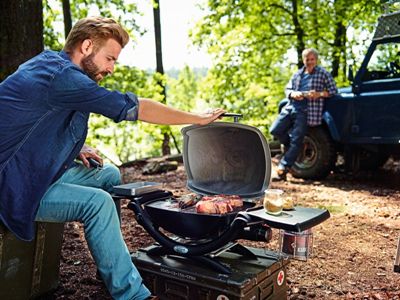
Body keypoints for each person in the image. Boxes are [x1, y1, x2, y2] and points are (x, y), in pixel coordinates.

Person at [0, 17, 224, 300]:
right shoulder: (65, 78)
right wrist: (196, 119)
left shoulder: (50, 64)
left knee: (109, 175)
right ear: (86, 46)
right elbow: (136, 108)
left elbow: (28, 121)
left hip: (32, 171)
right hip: (14, 186)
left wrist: (76, 148)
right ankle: (133, 295)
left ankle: (110, 265)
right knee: (99, 203)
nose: (111, 68)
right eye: (109, 58)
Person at [269, 48, 337, 181]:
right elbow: (288, 89)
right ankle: (296, 148)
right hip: (291, 106)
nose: (310, 62)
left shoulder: (323, 73)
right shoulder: (298, 74)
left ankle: (283, 167)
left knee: (296, 139)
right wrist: (292, 93)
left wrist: (319, 94)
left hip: (307, 110)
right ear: (303, 59)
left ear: (316, 60)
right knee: (275, 130)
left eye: (312, 59)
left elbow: (334, 90)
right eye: (307, 59)